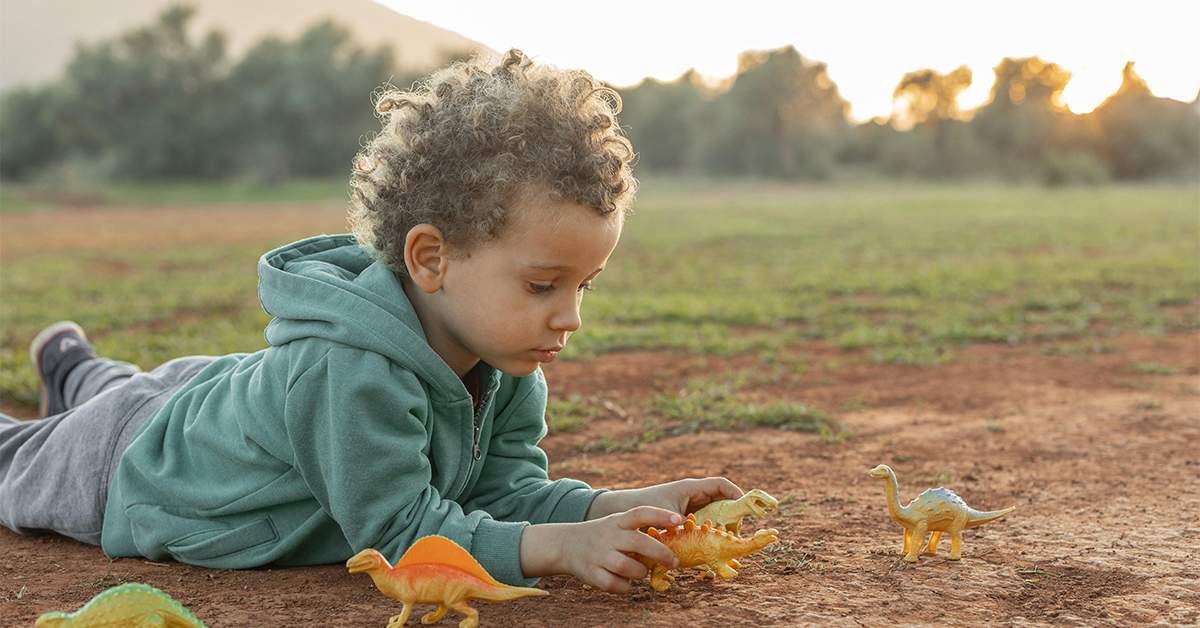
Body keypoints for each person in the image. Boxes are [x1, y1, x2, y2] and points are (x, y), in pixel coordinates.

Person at [0, 50, 741, 592]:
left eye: (585, 285)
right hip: (135, 466)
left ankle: (72, 368)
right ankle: (78, 384)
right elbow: (400, 534)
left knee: (125, 389)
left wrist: (620, 508)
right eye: (544, 284)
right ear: (431, 259)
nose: (570, 317)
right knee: (21, 459)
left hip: (217, 398)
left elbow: (503, 497)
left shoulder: (507, 356)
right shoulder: (351, 371)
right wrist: (559, 548)